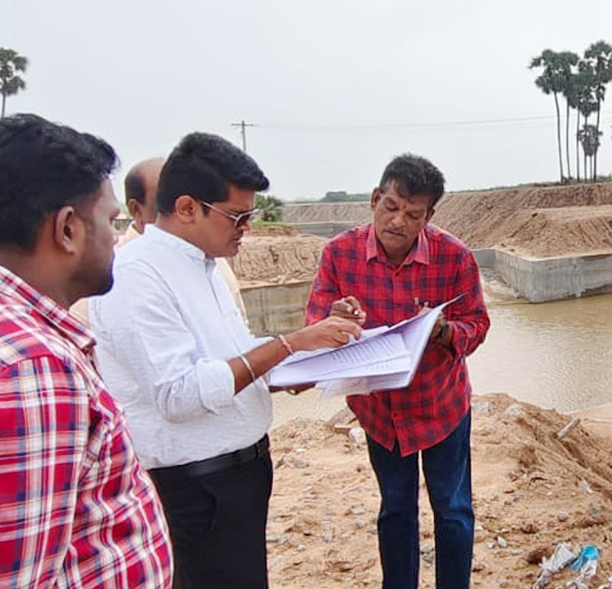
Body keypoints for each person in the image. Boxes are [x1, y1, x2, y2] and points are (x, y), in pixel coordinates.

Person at [90, 132, 362, 588]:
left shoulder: (206, 264)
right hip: (195, 488)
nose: (247, 227)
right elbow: (179, 395)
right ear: (187, 208)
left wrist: (306, 358)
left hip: (240, 475)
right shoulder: (137, 276)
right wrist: (289, 344)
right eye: (238, 216)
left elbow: (234, 357)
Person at [0, 114, 172, 586]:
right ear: (67, 229)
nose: (116, 238)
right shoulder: (33, 370)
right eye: (110, 221)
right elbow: (13, 577)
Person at [306, 153, 490, 589]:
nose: (398, 222)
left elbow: (477, 325)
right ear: (374, 199)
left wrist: (443, 331)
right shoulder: (339, 254)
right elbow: (314, 325)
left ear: (429, 216)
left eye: (413, 214)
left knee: (453, 511)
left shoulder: (454, 257)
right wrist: (335, 320)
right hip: (379, 412)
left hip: (441, 407)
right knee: (395, 510)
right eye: (391, 207)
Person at [70, 157, 245, 324]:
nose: (184, 214)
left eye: (191, 205)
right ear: (136, 210)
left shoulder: (213, 263)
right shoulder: (109, 271)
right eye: (167, 204)